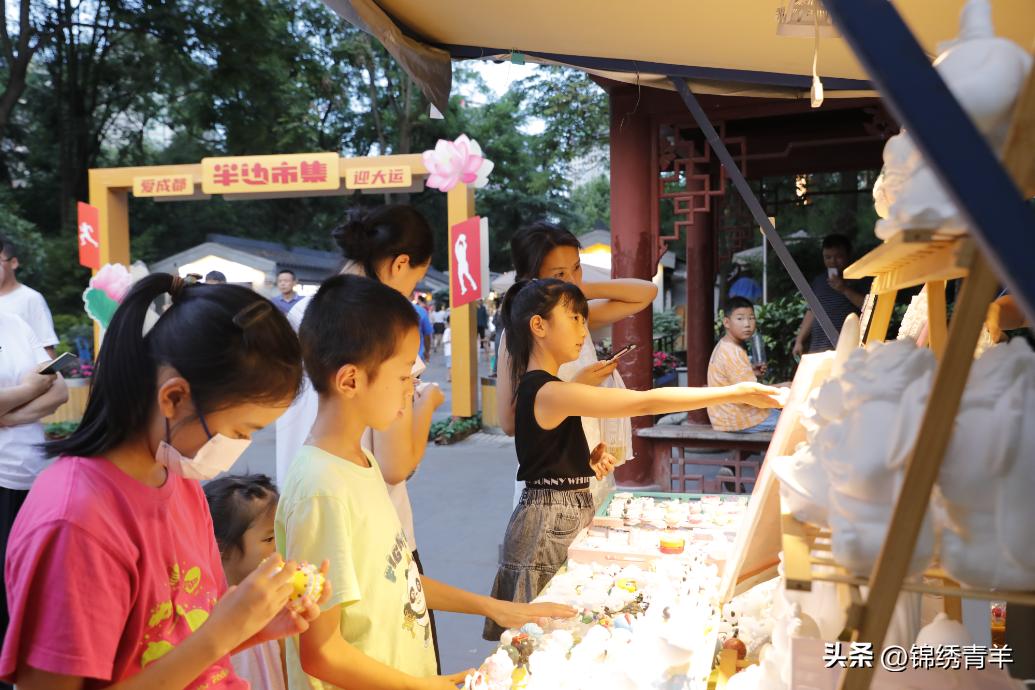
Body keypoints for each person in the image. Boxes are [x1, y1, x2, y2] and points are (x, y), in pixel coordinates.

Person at [0, 274, 326, 689]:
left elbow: (172, 645)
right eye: (241, 430)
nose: (240, 447)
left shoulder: (177, 480)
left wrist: (254, 625)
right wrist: (221, 634)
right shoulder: (76, 522)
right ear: (173, 397)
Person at [277, 274, 574, 690]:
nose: (411, 390)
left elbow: (396, 578)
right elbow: (321, 652)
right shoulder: (321, 489)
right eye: (403, 377)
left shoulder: (359, 461)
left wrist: (495, 608)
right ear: (350, 380)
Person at [483, 279, 784, 640]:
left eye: (583, 318)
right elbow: (645, 402)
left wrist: (584, 462)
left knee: (554, 632)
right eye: (574, 318)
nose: (583, 329)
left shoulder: (548, 387)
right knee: (540, 635)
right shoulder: (548, 390)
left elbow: (543, 457)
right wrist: (736, 392)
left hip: (554, 513)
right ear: (539, 325)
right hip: (546, 524)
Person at [273, 205, 445, 666]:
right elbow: (398, 463)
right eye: (404, 379)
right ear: (399, 265)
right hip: (370, 532)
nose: (406, 387)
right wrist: (425, 402)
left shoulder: (304, 315)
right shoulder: (385, 331)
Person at [497, 222, 658, 509]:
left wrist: (579, 288)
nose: (571, 279)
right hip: (550, 485)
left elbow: (646, 293)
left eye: (576, 267)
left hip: (593, 462)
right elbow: (509, 422)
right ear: (531, 280)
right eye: (558, 273)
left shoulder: (578, 318)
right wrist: (578, 386)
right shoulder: (518, 334)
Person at [0, 313, 68, 672]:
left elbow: (57, 388)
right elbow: (41, 385)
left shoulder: (14, 322)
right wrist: (28, 390)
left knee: (26, 591)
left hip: (31, 477)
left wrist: (10, 415)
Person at [205, 474, 288, 690]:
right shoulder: (212, 616)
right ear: (221, 548)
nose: (280, 547)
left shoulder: (270, 599)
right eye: (269, 539)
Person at [707, 297, 780, 433]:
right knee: (797, 421)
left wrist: (752, 372)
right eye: (740, 319)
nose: (747, 324)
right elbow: (749, 395)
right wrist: (783, 388)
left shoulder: (725, 345)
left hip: (726, 415)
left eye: (751, 318)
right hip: (738, 419)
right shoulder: (733, 351)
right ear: (727, 322)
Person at [793, 234, 870, 357]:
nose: (832, 261)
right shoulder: (819, 281)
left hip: (848, 350)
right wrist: (799, 340)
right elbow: (812, 312)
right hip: (818, 348)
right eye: (828, 257)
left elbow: (869, 307)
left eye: (838, 257)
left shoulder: (859, 278)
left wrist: (844, 289)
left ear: (848, 256)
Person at [0, 236, 58, 358]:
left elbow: (47, 348)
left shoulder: (31, 298)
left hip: (24, 375)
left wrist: (42, 376)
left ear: (13, 263)